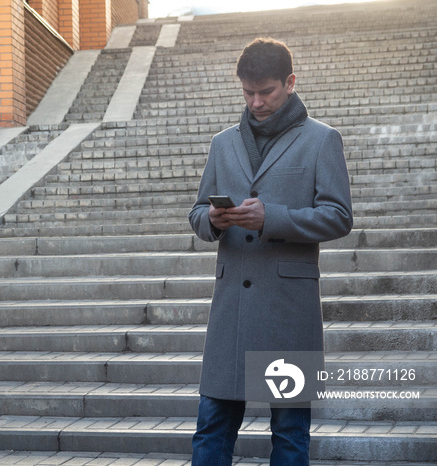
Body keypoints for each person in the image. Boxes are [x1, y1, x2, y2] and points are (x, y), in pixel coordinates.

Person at [188, 37, 353, 465]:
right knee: (211, 427)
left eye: (267, 92)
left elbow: (338, 217)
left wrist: (272, 218)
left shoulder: (322, 140)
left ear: (291, 82)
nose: (256, 102)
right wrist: (212, 220)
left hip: (288, 312)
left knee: (291, 434)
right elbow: (196, 212)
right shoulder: (223, 143)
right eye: (248, 92)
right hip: (232, 311)